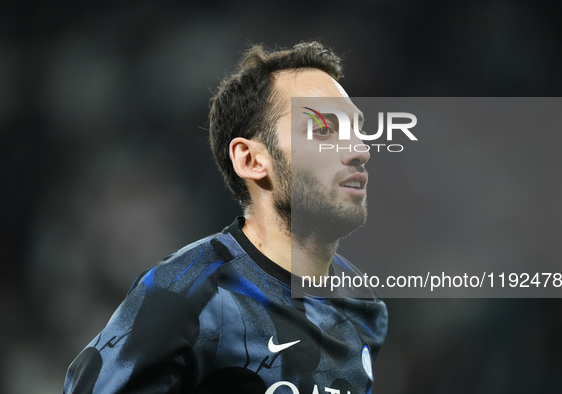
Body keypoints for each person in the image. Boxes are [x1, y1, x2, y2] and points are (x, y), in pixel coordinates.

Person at [63, 41, 388, 394]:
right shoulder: (186, 294)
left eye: (357, 130)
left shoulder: (362, 304)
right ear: (250, 160)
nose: (359, 150)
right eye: (323, 130)